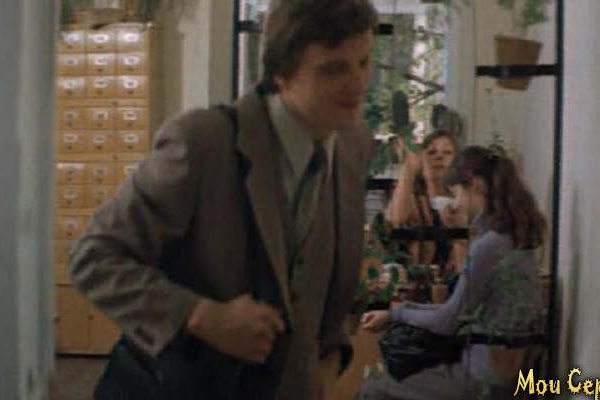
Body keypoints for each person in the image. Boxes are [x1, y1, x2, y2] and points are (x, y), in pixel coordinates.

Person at [66, 1, 378, 399]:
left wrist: (329, 361)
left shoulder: (353, 145)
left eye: (364, 63)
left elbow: (327, 294)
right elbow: (94, 257)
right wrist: (200, 315)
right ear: (282, 73)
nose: (358, 83)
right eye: (333, 69)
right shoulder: (204, 143)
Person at [358, 146, 547, 399]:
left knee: (373, 390)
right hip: (506, 374)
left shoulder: (490, 245)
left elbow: (448, 320)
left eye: (458, 193)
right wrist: (397, 312)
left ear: (475, 186)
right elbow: (456, 310)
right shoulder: (512, 239)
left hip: (481, 379)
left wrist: (396, 315)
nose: (458, 202)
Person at [385, 130, 459, 267]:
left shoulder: (460, 197)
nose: (439, 157)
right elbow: (396, 221)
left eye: (447, 153)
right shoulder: (410, 194)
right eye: (432, 152)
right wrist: (409, 168)